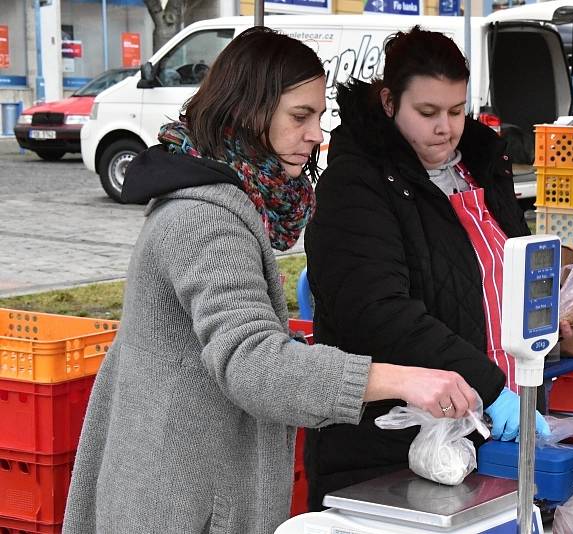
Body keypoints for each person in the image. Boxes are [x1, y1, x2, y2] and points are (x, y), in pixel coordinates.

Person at [62, 27, 477, 534]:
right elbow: (252, 364)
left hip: (196, 488)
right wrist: (404, 379)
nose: (316, 135)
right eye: (299, 117)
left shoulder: (225, 201)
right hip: (178, 504)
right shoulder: (206, 218)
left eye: (319, 117)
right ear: (247, 113)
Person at [303, 26, 558, 511]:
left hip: (489, 435)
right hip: (389, 448)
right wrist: (488, 386)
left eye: (456, 111)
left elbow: (505, 261)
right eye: (427, 112)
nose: (445, 127)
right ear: (388, 101)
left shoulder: (481, 164)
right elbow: (376, 311)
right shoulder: (357, 184)